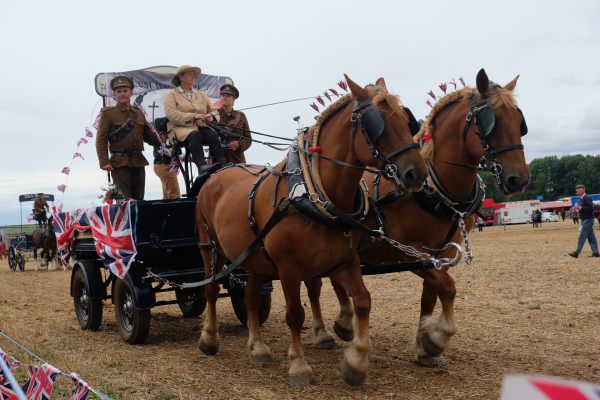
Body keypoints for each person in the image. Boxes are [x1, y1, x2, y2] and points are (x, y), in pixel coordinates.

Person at [96, 76, 161, 200]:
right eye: (119, 91)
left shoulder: (138, 113)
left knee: (139, 200)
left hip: (138, 161)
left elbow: (149, 137)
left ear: (131, 92)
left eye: (125, 91)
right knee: (124, 201)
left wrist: (162, 137)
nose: (122, 94)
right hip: (119, 163)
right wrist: (104, 161)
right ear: (115, 94)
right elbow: (101, 139)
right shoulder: (108, 113)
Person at [163, 65, 226, 174]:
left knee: (213, 135)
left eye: (194, 75)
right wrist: (192, 116)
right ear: (181, 77)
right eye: (190, 74)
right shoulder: (171, 95)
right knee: (194, 134)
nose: (193, 76)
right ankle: (202, 166)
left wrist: (211, 116)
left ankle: (223, 164)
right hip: (179, 129)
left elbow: (214, 110)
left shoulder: (201, 94)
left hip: (200, 126)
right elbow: (171, 114)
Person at [217, 84, 252, 164]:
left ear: (233, 100)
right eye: (222, 95)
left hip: (237, 159)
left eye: (228, 96)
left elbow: (248, 139)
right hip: (218, 158)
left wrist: (239, 144)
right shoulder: (213, 114)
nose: (224, 97)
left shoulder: (241, 116)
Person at [569, 184, 599, 258]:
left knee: (582, 236)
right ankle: (596, 253)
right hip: (585, 219)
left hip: (588, 219)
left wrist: (580, 207)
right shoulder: (581, 198)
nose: (576, 190)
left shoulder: (587, 198)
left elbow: (590, 209)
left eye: (578, 189)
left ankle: (577, 252)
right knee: (591, 237)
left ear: (582, 190)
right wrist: (575, 209)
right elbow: (582, 209)